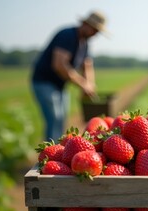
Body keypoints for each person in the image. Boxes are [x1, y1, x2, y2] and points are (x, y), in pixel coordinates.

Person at [31, 11, 106, 141]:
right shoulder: (68, 35)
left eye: (97, 31)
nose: (95, 34)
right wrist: (83, 84)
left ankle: (58, 152)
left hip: (59, 85)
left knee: (61, 118)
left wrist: (90, 85)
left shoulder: (84, 43)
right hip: (44, 82)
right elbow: (59, 65)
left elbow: (87, 65)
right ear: (85, 24)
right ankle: (49, 155)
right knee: (54, 118)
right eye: (94, 29)